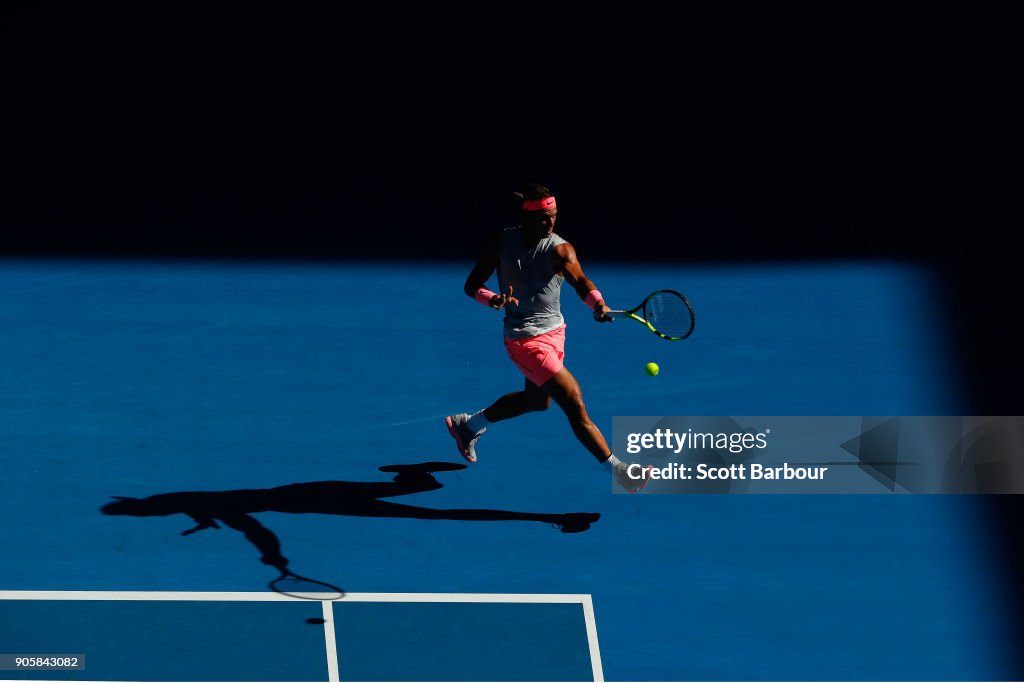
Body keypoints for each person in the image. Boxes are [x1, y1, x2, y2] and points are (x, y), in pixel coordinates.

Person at [445, 183, 652, 493]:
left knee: (536, 401)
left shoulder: (560, 249)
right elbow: (472, 285)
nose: (551, 223)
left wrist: (597, 303)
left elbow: (580, 281)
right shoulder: (502, 242)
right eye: (543, 218)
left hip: (555, 333)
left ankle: (468, 426)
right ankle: (621, 471)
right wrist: (493, 300)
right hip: (524, 340)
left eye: (554, 216)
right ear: (526, 217)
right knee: (573, 401)